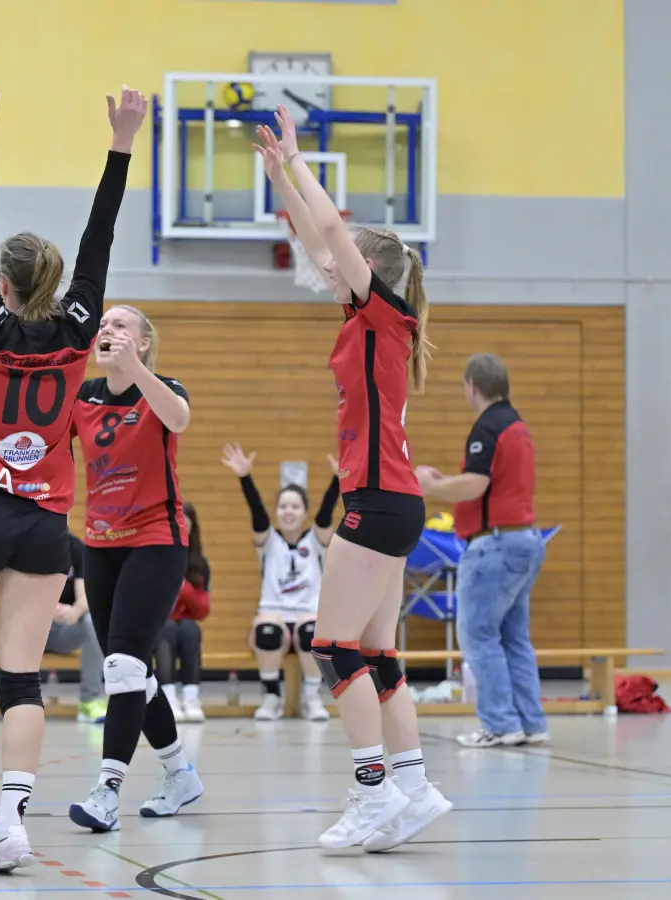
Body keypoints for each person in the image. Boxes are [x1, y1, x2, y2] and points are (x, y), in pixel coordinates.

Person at [0, 83, 144, 873]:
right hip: (47, 522)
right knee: (21, 677)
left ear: (4, 286)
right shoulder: (82, 324)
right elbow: (100, 237)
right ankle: (11, 821)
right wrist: (121, 143)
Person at [258, 105, 451, 852]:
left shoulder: (385, 314)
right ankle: (412, 783)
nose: (330, 268)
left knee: (332, 647)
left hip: (378, 501)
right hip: (391, 500)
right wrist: (279, 175)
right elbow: (319, 244)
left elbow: (334, 237)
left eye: (346, 263)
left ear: (373, 272)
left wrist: (302, 162)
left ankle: (372, 793)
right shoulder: (360, 316)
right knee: (375, 655)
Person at [65, 304, 203, 833]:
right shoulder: (83, 398)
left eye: (120, 325)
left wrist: (138, 372)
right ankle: (179, 774)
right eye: (103, 325)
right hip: (100, 544)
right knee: (132, 673)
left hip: (157, 541)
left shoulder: (163, 388)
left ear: (143, 342)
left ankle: (107, 791)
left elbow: (180, 419)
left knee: (121, 667)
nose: (107, 330)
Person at [414, 353, 548, 748]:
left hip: (494, 545)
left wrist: (433, 488)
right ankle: (531, 722)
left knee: (478, 635)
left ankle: (499, 724)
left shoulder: (487, 427)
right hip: (524, 539)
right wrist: (446, 481)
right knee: (513, 638)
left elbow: (476, 485)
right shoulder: (517, 426)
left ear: (472, 386)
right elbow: (491, 483)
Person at [217, 445, 341, 722]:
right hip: (274, 612)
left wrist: (337, 480)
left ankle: (312, 697)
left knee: (312, 631)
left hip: (307, 614)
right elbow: (257, 515)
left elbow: (326, 514)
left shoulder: (316, 541)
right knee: (267, 631)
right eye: (283, 506)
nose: (288, 511)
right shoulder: (269, 541)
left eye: (295, 506)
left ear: (304, 512)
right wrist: (245, 478)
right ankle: (271, 696)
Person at [41, 532, 106, 723]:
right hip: (33, 626)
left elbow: (85, 595)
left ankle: (90, 700)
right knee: (18, 617)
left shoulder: (76, 547)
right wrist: (45, 609)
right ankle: (21, 699)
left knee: (92, 621)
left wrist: (75, 611)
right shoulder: (28, 544)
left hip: (65, 629)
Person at [155, 501, 208, 722]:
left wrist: (183, 587)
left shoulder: (199, 564)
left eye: (187, 520)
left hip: (182, 624)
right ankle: (168, 696)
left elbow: (202, 610)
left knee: (190, 629)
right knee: (165, 627)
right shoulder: (155, 557)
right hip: (157, 625)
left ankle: (191, 696)